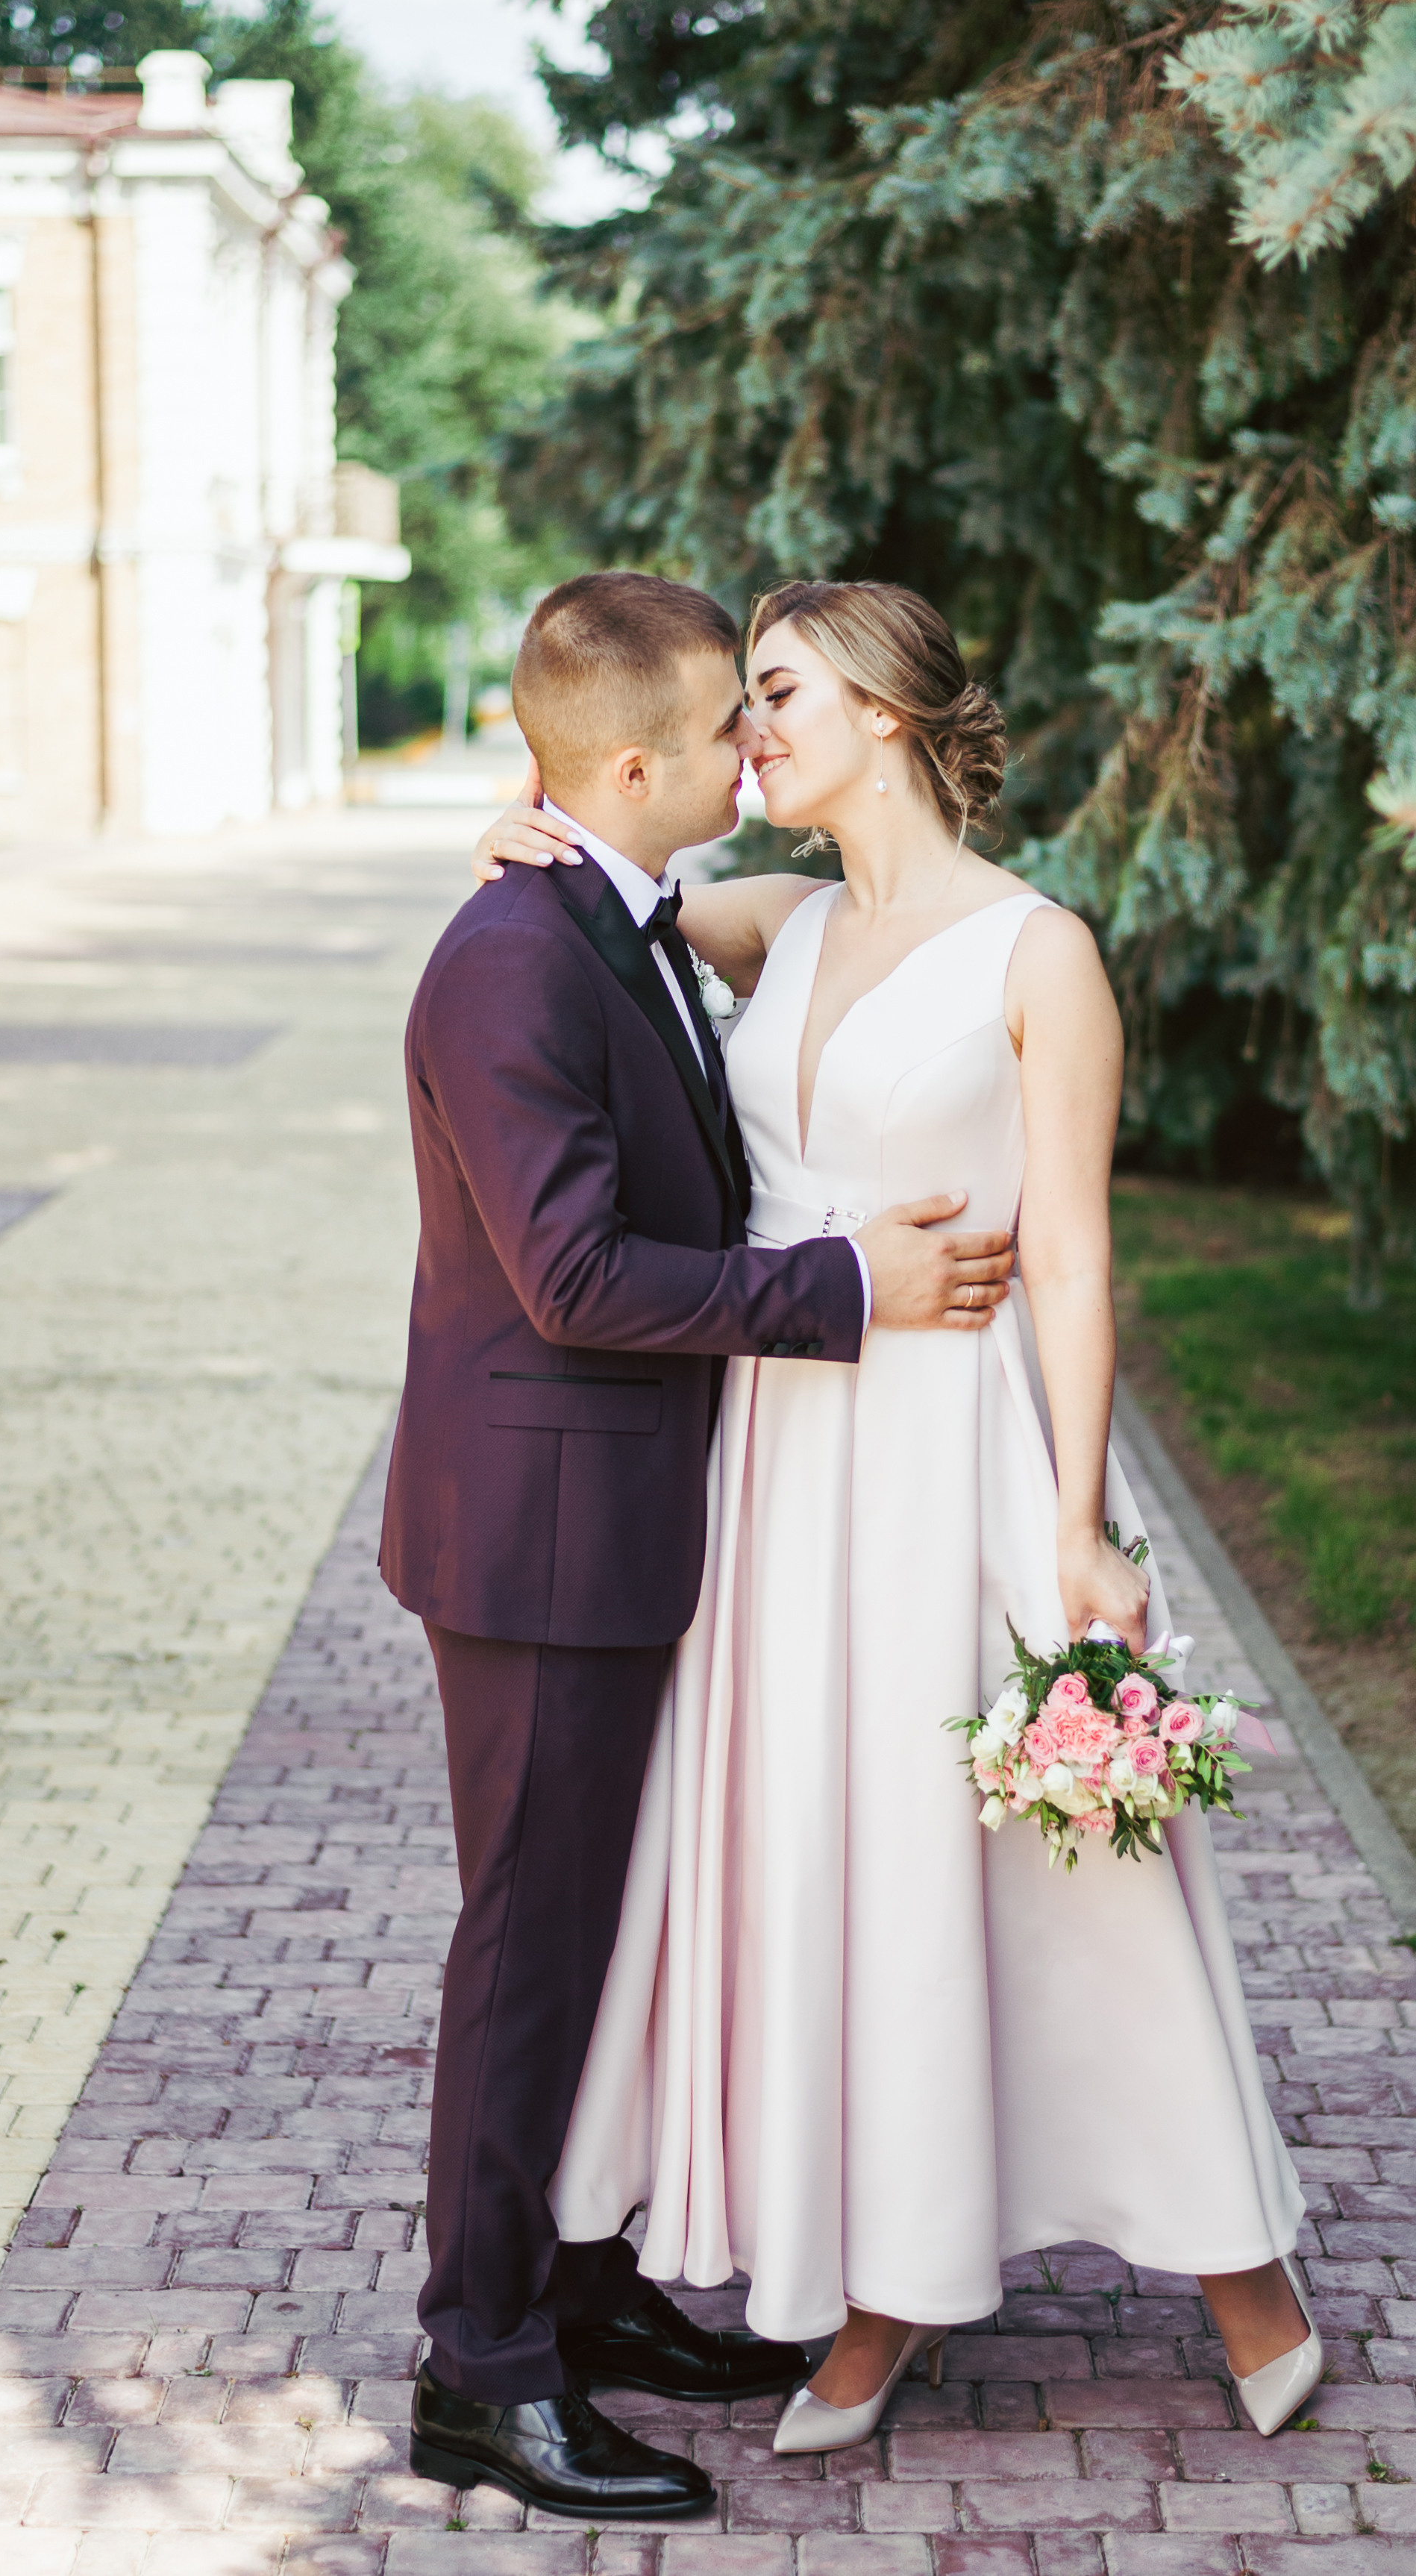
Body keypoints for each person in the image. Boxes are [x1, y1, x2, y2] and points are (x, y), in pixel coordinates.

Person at [472, 577, 1324, 2454]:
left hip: (950, 1445)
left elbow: (1080, 1261)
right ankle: (884, 2282)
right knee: (831, 1853)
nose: (749, 729)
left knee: (1044, 1860)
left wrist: (1084, 1523)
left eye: (775, 691)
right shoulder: (771, 919)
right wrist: (530, 833)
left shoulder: (1040, 952)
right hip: (776, 1452)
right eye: (740, 703)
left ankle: (1236, 2257)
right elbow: (604, 896)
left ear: (889, 706)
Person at [380, 570, 1018, 2524]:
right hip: (538, 1534)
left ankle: (582, 2290)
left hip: (618, 1517)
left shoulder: (618, 911)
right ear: (640, 760)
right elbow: (570, 1272)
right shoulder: (515, 957)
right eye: (728, 726)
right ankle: (480, 2368)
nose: (757, 748)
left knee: (598, 1933)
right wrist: (847, 1281)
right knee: (527, 1948)